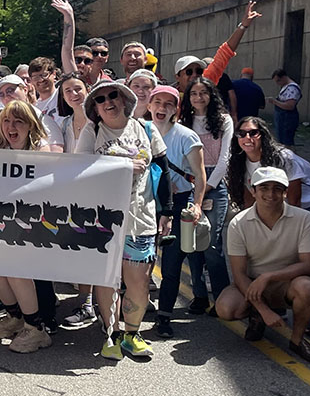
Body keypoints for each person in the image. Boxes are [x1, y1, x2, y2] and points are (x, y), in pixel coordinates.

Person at [75, 81, 173, 360]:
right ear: (95, 108)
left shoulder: (145, 128)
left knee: (139, 282)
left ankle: (132, 333)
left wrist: (167, 212)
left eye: (113, 95)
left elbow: (163, 171)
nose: (108, 102)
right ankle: (111, 333)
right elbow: (79, 170)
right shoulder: (92, 131)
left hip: (140, 218)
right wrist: (122, 166)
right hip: (103, 220)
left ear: (124, 99)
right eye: (101, 99)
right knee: (107, 280)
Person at [215, 167, 310, 363]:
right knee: (226, 308)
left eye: (277, 188)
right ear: (253, 191)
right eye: (264, 188)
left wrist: (269, 277)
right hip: (252, 283)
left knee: (308, 286)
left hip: (287, 282)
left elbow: (309, 265)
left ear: (285, 192)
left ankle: (297, 340)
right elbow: (239, 274)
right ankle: (257, 315)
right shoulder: (239, 223)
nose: (271, 194)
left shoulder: (304, 219)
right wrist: (264, 309)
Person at [0, 100, 53, 353]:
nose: (11, 127)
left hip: (29, 222)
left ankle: (36, 330)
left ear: (30, 126)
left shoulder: (42, 150)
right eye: (6, 121)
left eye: (18, 122)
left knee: (16, 271)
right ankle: (15, 317)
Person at [147, 85, 208, 338]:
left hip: (179, 202)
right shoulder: (139, 130)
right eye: (157, 102)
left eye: (168, 104)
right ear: (149, 105)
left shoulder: (186, 136)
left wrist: (197, 205)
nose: (162, 108)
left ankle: (164, 317)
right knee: (141, 262)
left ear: (176, 109)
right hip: (146, 203)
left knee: (171, 265)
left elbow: (200, 177)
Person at [179, 77, 233, 313]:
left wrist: (206, 186)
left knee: (212, 245)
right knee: (191, 244)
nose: (198, 97)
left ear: (212, 96)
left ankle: (222, 297)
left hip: (215, 184)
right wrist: (192, 186)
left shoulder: (224, 121)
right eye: (194, 93)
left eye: (203, 93)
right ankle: (199, 295)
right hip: (188, 182)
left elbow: (225, 159)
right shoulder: (183, 122)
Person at [55, 72, 99, 328]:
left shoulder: (99, 121)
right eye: (68, 91)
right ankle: (86, 301)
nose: (74, 94)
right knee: (80, 252)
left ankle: (91, 304)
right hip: (71, 195)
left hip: (97, 194)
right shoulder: (64, 123)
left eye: (78, 89)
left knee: (93, 250)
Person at [227, 117, 310, 214]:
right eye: (241, 133)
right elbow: (249, 203)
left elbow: (295, 202)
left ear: (262, 135)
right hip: (276, 210)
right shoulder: (238, 162)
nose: (247, 137)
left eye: (253, 133)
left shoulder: (283, 158)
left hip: (307, 208)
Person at [172, 1, 262, 96]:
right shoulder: (169, 96)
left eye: (199, 71)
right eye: (189, 72)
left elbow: (225, 52)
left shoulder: (207, 81)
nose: (195, 75)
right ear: (177, 77)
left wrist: (243, 26)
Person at [269, 68, 301, 146]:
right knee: (282, 140)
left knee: (286, 142)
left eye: (278, 81)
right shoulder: (286, 87)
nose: (278, 83)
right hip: (283, 118)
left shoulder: (292, 88)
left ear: (283, 77)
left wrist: (274, 101)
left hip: (287, 119)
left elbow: (290, 106)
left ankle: (290, 157)